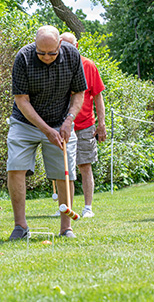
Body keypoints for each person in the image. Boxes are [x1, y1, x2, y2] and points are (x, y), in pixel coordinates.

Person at [7, 25, 87, 239]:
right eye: (41, 53)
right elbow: (21, 100)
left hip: (61, 121)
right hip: (25, 122)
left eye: (52, 53)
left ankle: (66, 228)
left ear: (60, 44)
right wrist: (46, 130)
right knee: (15, 167)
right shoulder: (23, 58)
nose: (46, 57)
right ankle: (20, 227)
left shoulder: (72, 55)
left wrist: (69, 120)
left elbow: (79, 93)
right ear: (35, 45)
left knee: (65, 171)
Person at [53, 32, 107, 218]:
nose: (66, 49)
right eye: (63, 45)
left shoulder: (88, 65)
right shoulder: (53, 64)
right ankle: (66, 207)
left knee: (84, 166)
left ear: (76, 46)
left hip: (84, 125)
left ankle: (88, 207)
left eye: (70, 46)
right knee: (63, 168)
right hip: (60, 125)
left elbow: (98, 96)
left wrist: (102, 124)